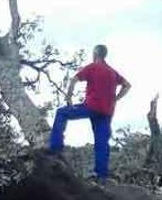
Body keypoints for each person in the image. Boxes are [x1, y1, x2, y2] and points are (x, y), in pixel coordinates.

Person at [49, 44, 131, 182]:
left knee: (61, 113)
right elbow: (127, 85)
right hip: (106, 111)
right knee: (102, 142)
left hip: (91, 107)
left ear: (95, 54)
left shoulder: (93, 67)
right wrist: (116, 99)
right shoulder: (112, 72)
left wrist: (69, 97)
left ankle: (55, 148)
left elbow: (74, 79)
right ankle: (101, 176)